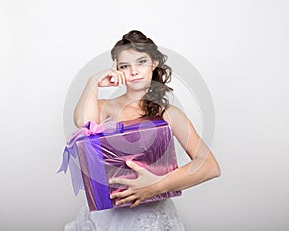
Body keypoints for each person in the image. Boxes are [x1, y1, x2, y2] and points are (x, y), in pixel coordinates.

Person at [64, 30, 221, 231]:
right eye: (124, 66)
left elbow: (209, 166)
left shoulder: (168, 114)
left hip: (149, 218)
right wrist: (94, 81)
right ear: (116, 69)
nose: (134, 71)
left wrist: (155, 186)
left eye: (141, 62)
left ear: (154, 63)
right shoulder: (105, 107)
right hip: (108, 215)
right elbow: (82, 122)